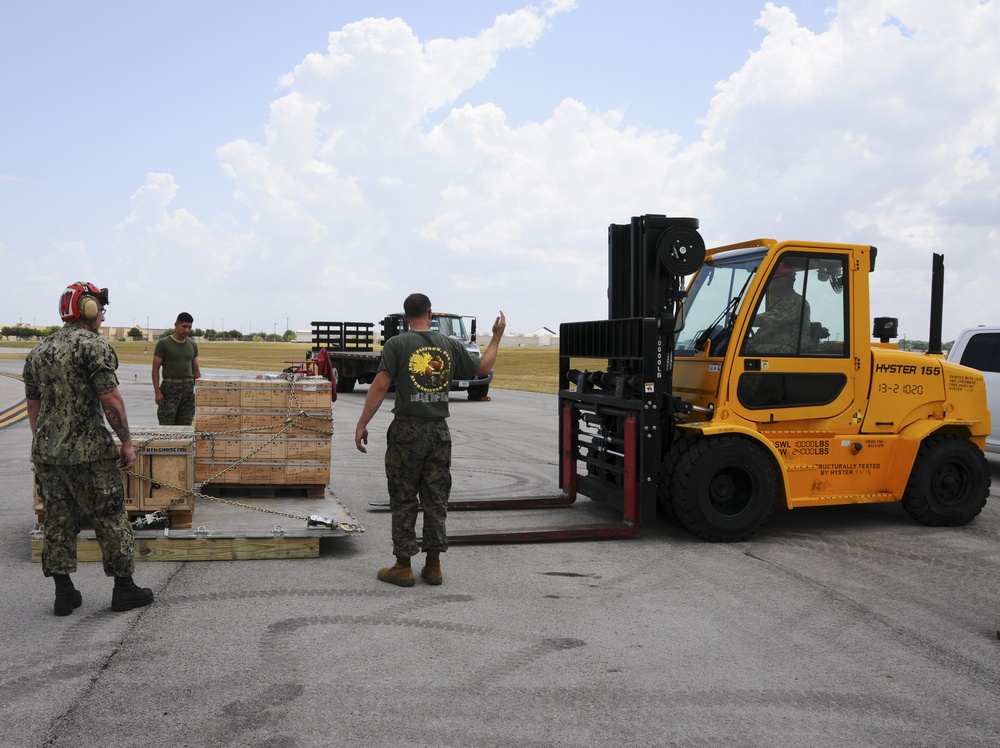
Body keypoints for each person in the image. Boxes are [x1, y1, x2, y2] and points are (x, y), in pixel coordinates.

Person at [355, 294, 506, 587]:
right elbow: (483, 369)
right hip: (439, 432)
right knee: (435, 498)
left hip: (406, 431)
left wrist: (362, 424)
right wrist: (496, 337)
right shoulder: (450, 345)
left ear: (404, 316)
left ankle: (403, 566)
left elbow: (380, 385)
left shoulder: (396, 345)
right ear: (431, 314)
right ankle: (434, 565)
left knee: (403, 498)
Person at [23, 281, 154, 616]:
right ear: (88, 309)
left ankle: (64, 594)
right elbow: (109, 398)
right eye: (99, 307)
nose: (102, 314)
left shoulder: (39, 351)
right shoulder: (92, 347)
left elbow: (33, 406)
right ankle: (124, 589)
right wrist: (126, 441)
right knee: (109, 517)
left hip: (48, 454)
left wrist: (46, 443)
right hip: (89, 453)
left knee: (58, 520)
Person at [745, 261, 811, 355]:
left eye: (776, 280)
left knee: (748, 351)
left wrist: (744, 319)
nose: (772, 284)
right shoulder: (779, 302)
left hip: (789, 349)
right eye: (771, 281)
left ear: (789, 279)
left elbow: (771, 319)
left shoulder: (795, 301)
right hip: (777, 347)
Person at [152, 312, 201, 425]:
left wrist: (199, 390)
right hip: (170, 389)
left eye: (189, 327)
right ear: (176, 325)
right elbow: (155, 368)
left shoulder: (193, 345)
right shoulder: (163, 343)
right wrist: (157, 392)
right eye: (184, 326)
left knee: (186, 423)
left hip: (188, 389)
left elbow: (196, 370)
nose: (187, 330)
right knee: (166, 423)